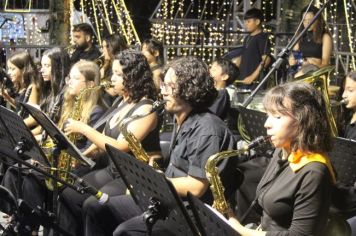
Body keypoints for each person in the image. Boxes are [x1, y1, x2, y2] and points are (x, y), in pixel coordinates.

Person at [83, 56, 238, 236]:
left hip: (192, 214)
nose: (162, 91)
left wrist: (152, 182)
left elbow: (196, 187)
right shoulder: (182, 119)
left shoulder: (207, 129)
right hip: (171, 201)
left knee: (125, 232)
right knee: (95, 207)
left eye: (169, 86)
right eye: (163, 85)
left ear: (190, 89)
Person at [58, 49, 160, 236]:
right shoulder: (121, 102)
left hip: (131, 176)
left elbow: (120, 146)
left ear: (133, 76)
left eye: (119, 74)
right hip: (113, 170)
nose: (112, 78)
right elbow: (102, 138)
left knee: (92, 204)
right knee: (68, 193)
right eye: (113, 72)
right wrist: (83, 156)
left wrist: (83, 128)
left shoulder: (146, 108)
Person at [228, 82, 335, 235]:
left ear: (303, 121)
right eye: (267, 115)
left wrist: (242, 230)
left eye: (277, 117)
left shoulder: (313, 172)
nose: (266, 124)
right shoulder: (281, 150)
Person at [232, 8, 271, 90]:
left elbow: (266, 60)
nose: (246, 24)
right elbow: (244, 56)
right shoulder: (247, 38)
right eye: (245, 21)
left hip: (254, 82)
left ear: (257, 22)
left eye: (248, 21)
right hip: (243, 78)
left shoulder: (262, 38)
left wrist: (252, 77)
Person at [289, 5, 332, 72]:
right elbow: (295, 55)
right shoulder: (300, 35)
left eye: (310, 20)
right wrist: (296, 62)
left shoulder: (325, 36)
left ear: (317, 20)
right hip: (301, 69)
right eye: (304, 20)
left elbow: (325, 64)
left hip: (316, 72)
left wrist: (312, 63)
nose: (307, 23)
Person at [3, 50, 41, 118]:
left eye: (12, 69)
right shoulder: (22, 85)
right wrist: (7, 97)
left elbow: (33, 117)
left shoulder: (33, 87)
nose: (9, 72)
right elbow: (21, 109)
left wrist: (18, 126)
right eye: (9, 69)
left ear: (23, 70)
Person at [99, 34, 129, 108]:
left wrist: (101, 80)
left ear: (112, 47)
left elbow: (113, 91)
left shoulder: (122, 64)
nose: (102, 50)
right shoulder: (108, 63)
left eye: (104, 47)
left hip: (114, 104)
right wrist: (105, 66)